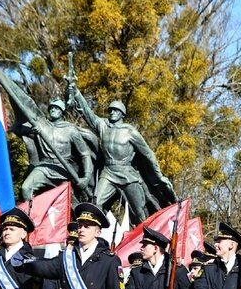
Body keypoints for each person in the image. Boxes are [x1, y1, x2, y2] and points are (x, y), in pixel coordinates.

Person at [70, 88, 176, 223]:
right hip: (108, 172)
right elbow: (88, 113)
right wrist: (77, 93)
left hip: (127, 174)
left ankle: (145, 237)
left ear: (122, 114)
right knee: (95, 202)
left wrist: (159, 175)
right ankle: (94, 234)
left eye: (115, 110)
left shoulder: (130, 131)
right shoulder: (103, 126)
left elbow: (148, 154)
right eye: (110, 110)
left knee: (139, 211)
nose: (112, 112)